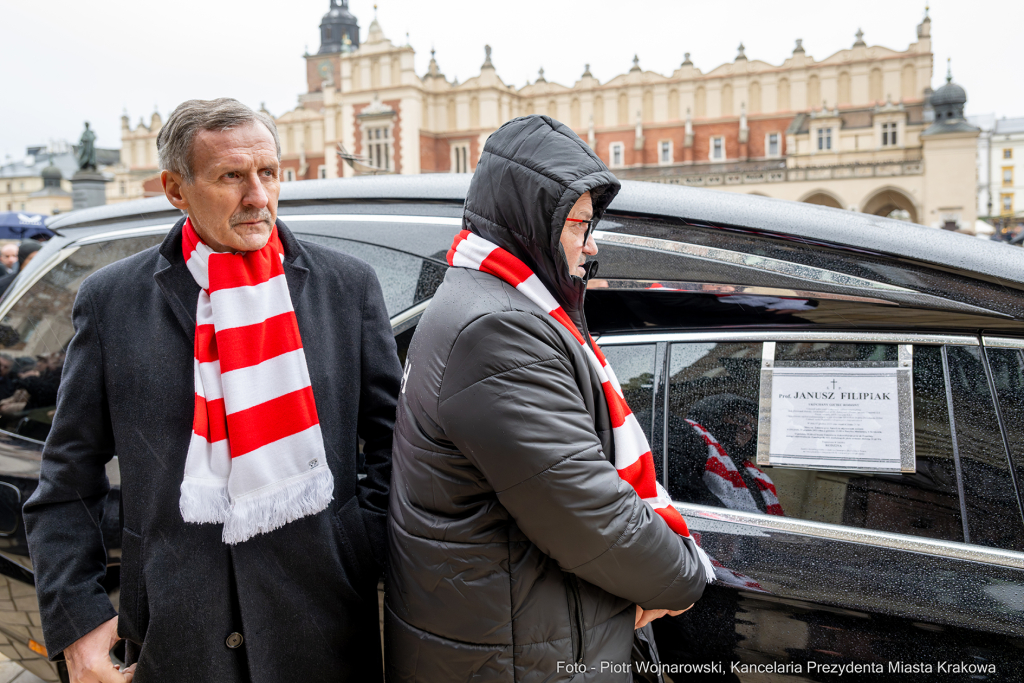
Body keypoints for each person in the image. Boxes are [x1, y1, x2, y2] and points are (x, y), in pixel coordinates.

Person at [24, 98, 401, 683]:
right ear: (177, 188)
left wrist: (356, 547)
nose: (259, 196)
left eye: (269, 173)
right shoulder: (112, 302)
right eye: (232, 176)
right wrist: (79, 625)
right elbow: (66, 482)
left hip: (322, 627)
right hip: (177, 638)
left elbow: (393, 446)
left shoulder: (345, 287)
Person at [385, 115, 712, 682]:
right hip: (510, 653)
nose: (591, 247)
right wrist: (685, 576)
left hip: (508, 633)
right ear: (533, 226)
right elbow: (590, 511)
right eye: (579, 227)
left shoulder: (486, 301)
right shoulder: (496, 330)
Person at [670, 395, 783, 515]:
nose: (748, 429)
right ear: (715, 415)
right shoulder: (692, 446)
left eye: (753, 426)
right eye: (741, 420)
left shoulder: (754, 475)